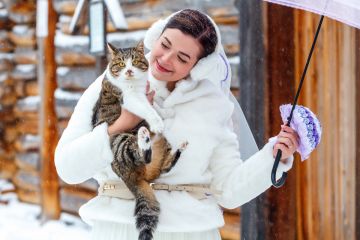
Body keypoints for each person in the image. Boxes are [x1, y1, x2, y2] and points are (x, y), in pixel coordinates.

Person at [55, 9, 299, 240]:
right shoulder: (110, 84)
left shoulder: (213, 106)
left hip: (192, 233)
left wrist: (274, 157)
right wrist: (121, 124)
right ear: (155, 37)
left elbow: (228, 191)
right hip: (120, 229)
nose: (166, 59)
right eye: (165, 45)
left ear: (198, 65)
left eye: (183, 58)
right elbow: (68, 168)